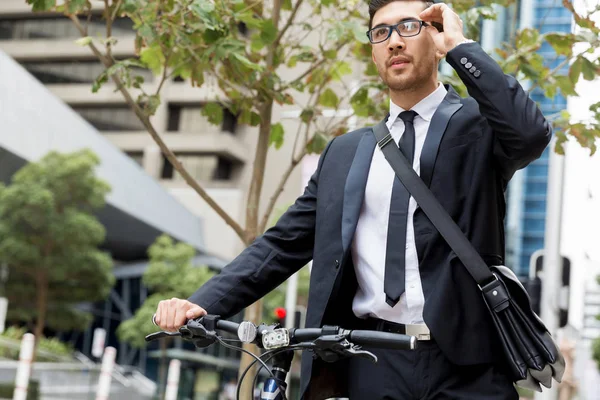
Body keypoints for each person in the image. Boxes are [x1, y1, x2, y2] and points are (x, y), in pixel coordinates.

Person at [154, 0, 552, 398]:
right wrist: (201, 303)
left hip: (470, 366)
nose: (394, 42)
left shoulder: (480, 126)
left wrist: (460, 45)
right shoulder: (344, 153)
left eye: (409, 27)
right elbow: (282, 244)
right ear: (374, 50)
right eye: (381, 33)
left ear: (435, 36)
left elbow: (530, 133)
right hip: (371, 360)